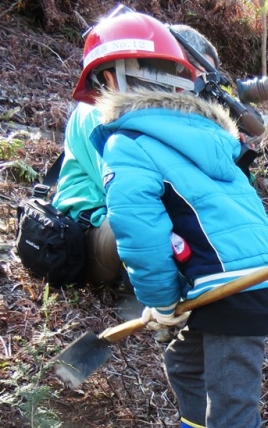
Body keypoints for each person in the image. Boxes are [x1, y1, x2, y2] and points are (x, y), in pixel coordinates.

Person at [74, 11, 268, 428]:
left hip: (233, 292)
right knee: (181, 360)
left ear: (116, 78)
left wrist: (161, 302)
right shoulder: (202, 130)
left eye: (100, 83)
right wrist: (174, 309)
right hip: (234, 281)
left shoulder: (129, 143)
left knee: (236, 422)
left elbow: (140, 238)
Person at [52, 23, 221, 287]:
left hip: (130, 216)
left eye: (203, 80)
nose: (195, 88)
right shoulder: (97, 109)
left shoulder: (158, 116)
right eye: (194, 76)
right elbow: (125, 192)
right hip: (91, 230)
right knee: (149, 218)